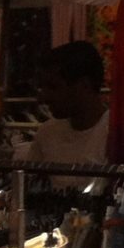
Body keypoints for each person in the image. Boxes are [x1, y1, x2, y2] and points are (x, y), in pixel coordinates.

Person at [21, 41, 112, 173]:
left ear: (84, 85)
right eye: (42, 87)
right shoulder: (47, 134)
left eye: (53, 87)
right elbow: (28, 187)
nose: (43, 98)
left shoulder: (116, 135)